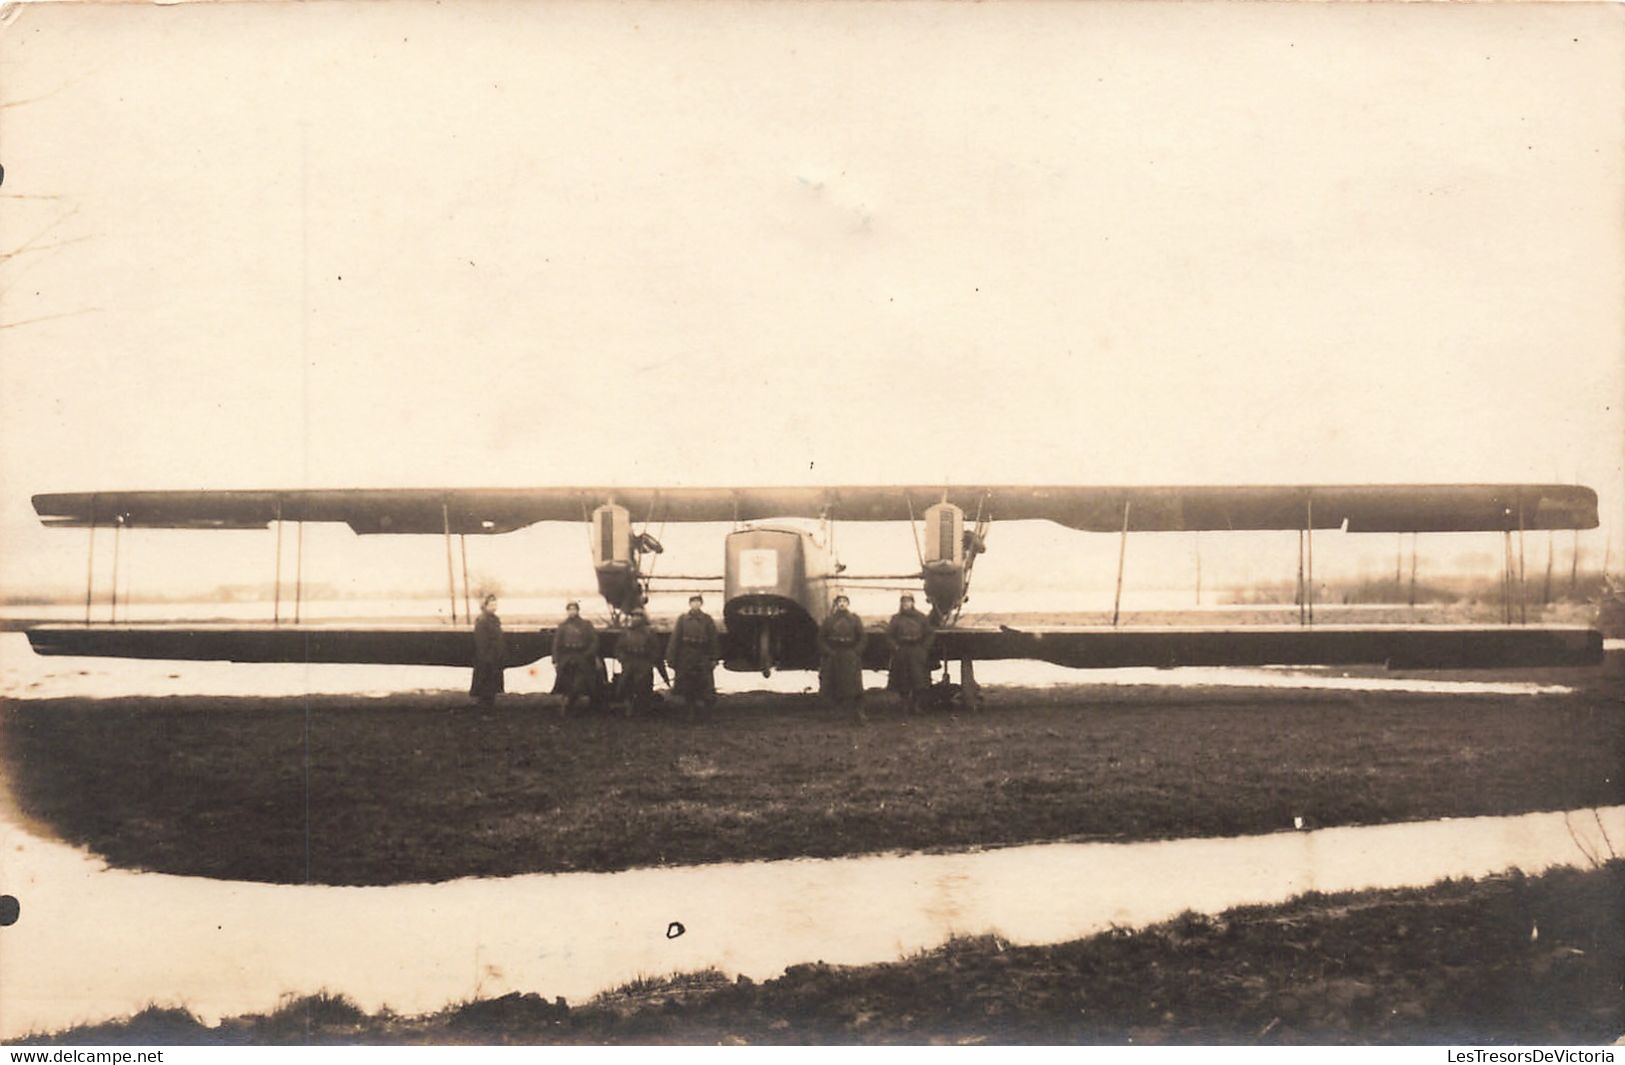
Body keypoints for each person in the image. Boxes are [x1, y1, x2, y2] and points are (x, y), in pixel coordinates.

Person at [666, 594, 720, 721]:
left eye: (698, 602)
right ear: (689, 604)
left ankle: (704, 715)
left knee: (704, 685)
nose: (696, 604)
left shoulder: (707, 620)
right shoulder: (683, 619)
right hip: (686, 654)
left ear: (701, 604)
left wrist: (714, 657)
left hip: (702, 655)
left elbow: (713, 640)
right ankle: (689, 712)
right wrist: (671, 658)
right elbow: (675, 639)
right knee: (687, 685)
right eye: (693, 602)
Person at [818, 594, 868, 722]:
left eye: (844, 601)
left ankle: (856, 711)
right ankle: (836, 711)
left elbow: (862, 637)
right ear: (836, 604)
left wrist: (856, 651)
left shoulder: (854, 619)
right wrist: (829, 652)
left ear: (848, 604)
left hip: (849, 654)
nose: (842, 604)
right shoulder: (829, 620)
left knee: (853, 684)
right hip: (834, 654)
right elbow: (821, 638)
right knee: (833, 683)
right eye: (839, 601)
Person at [885, 592, 935, 715]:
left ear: (913, 603)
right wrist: (895, 647)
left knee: (918, 679)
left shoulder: (921, 617)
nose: (906, 604)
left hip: (916, 651)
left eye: (908, 601)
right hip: (902, 651)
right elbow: (889, 635)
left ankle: (917, 705)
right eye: (903, 602)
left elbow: (929, 634)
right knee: (903, 679)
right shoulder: (896, 618)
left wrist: (923, 648)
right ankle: (904, 705)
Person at [550, 601, 601, 717]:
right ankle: (568, 703)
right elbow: (556, 644)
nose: (572, 612)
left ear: (578, 611)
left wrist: (588, 654)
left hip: (581, 656)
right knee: (565, 681)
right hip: (567, 657)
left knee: (581, 681)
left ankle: (572, 702)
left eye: (574, 609)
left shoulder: (586, 625)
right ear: (567, 611)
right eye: (569, 609)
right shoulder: (562, 626)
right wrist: (555, 659)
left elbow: (594, 641)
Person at [614, 608, 664, 718]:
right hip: (629, 661)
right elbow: (619, 648)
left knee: (643, 687)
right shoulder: (626, 632)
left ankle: (642, 710)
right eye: (634, 616)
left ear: (643, 618)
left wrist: (650, 661)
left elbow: (656, 648)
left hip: (643, 662)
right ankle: (629, 707)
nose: (636, 618)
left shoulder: (649, 632)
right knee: (626, 684)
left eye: (639, 616)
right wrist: (623, 659)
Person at [470, 594, 506, 707]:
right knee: (485, 684)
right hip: (485, 658)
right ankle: (483, 707)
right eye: (491, 605)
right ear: (485, 606)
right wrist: (487, 657)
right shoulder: (482, 620)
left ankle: (489, 705)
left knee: (492, 685)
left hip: (495, 657)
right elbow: (481, 641)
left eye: (495, 605)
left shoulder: (495, 619)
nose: (494, 607)